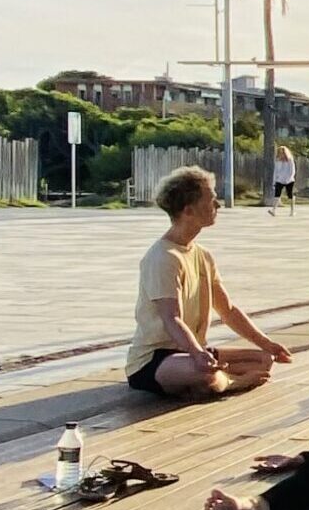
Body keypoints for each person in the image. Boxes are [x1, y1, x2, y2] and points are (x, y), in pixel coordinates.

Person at [125, 165, 291, 399]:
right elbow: (172, 318)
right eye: (211, 200)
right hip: (155, 359)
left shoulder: (203, 255)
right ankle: (231, 382)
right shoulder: (163, 258)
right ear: (188, 210)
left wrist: (266, 343)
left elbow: (228, 310)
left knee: (264, 359)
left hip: (194, 352)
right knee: (202, 374)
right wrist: (196, 353)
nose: (218, 205)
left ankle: (210, 381)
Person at [270, 145, 297, 214]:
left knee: (290, 195)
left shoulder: (290, 160)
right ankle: (273, 210)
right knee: (277, 195)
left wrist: (289, 178)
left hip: (289, 180)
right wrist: (274, 181)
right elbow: (275, 172)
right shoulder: (278, 161)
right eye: (279, 153)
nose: (281, 154)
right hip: (280, 180)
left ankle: (292, 211)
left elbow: (292, 170)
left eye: (282, 153)